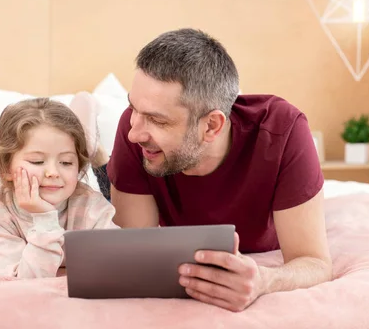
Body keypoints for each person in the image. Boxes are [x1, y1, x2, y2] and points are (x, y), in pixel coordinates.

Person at [91, 28, 332, 312]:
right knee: (97, 199)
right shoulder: (134, 129)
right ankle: (98, 162)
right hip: (147, 193)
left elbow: (314, 262)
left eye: (157, 120)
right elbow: (135, 250)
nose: (135, 133)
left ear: (211, 126)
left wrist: (265, 280)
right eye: (134, 108)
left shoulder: (284, 130)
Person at [0, 95, 119, 279]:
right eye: (37, 161)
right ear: (6, 168)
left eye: (66, 162)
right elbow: (26, 280)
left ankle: (96, 153)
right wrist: (44, 219)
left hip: (107, 195)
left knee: (117, 196)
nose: (53, 172)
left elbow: (119, 258)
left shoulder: (90, 205)